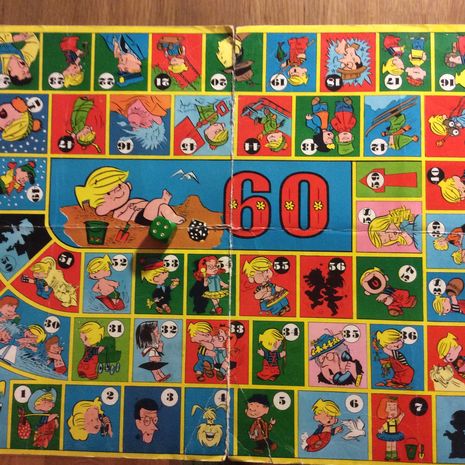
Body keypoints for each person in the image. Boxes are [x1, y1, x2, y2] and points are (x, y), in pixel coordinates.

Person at [75, 166, 185, 225]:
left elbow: (144, 204)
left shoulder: (132, 200)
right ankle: (163, 202)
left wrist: (140, 205)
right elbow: (121, 218)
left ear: (129, 185)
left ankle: (172, 216)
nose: (117, 190)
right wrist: (130, 209)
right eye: (109, 193)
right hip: (141, 218)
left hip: (149, 211)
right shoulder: (117, 212)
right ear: (102, 207)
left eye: (119, 185)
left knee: (161, 207)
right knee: (155, 204)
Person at [376, 396, 405, 461]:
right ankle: (388, 456)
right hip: (388, 434)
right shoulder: (388, 422)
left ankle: (394, 456)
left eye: (394, 408)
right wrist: (381, 429)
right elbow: (385, 426)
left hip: (394, 434)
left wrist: (401, 416)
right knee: (388, 445)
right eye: (389, 408)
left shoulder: (395, 420)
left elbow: (398, 420)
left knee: (394, 446)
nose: (392, 411)